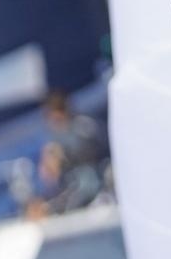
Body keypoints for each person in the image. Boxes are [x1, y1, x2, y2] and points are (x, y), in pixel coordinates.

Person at [24, 89, 110, 218]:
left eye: (55, 116)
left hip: (91, 181)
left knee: (66, 203)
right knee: (36, 206)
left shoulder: (83, 126)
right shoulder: (54, 135)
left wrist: (62, 155)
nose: (52, 121)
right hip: (68, 184)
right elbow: (49, 169)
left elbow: (92, 150)